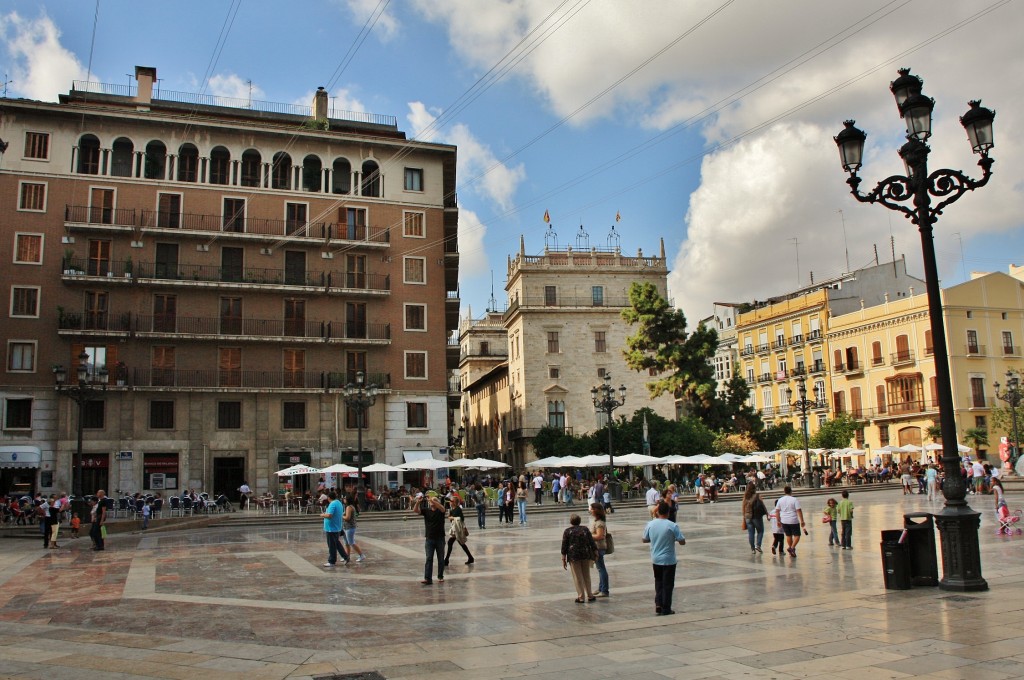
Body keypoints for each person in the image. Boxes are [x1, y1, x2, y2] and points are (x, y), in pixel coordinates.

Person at [642, 501, 686, 615]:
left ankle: (658, 603)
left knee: (658, 581)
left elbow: (644, 539)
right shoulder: (672, 525)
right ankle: (666, 608)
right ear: (668, 512)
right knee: (668, 584)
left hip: (655, 558)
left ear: (658, 511)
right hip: (669, 559)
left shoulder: (650, 524)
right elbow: (682, 541)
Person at [560, 513, 598, 603]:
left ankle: (581, 597)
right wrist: (595, 552)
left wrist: (563, 558)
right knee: (586, 575)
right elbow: (591, 541)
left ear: (571, 521)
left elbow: (564, 546)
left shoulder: (567, 531)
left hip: (574, 556)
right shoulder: (585, 529)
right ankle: (590, 595)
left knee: (577, 576)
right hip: (585, 554)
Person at [413, 493, 446, 584]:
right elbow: (415, 510)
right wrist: (418, 503)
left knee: (441, 558)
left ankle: (440, 576)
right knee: (429, 558)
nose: (432, 502)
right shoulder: (426, 511)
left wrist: (433, 500)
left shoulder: (440, 511)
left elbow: (442, 508)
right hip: (429, 538)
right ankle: (428, 578)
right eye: (432, 501)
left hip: (440, 538)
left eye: (435, 500)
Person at [319, 490, 350, 568]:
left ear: (329, 498)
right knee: (337, 544)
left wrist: (322, 515)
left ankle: (332, 561)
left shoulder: (332, 504)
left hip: (331, 528)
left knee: (332, 545)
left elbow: (329, 515)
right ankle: (346, 556)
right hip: (337, 527)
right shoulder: (339, 503)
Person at [443, 494, 474, 566]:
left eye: (451, 501)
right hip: (455, 528)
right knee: (460, 543)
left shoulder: (457, 509)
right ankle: (470, 557)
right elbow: (450, 518)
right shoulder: (452, 509)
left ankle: (446, 560)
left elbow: (459, 519)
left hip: (458, 529)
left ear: (454, 502)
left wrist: (451, 517)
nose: (450, 502)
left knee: (453, 542)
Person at [774, 486, 806, 557]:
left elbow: (777, 511)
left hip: (784, 520)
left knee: (788, 535)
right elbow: (798, 510)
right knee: (797, 535)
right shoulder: (794, 499)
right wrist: (802, 520)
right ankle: (792, 548)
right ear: (791, 491)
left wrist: (778, 521)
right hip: (793, 520)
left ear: (784, 491)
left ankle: (792, 550)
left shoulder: (780, 500)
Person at [589, 502, 610, 598]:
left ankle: (604, 590)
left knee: (601, 568)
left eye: (592, 509)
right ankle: (601, 587)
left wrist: (588, 535)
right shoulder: (597, 521)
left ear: (596, 511)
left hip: (599, 547)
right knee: (600, 568)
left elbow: (599, 536)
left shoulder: (600, 523)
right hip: (597, 547)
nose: (590, 510)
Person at [742, 484, 767, 553]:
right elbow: (762, 505)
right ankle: (758, 545)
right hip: (756, 517)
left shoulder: (745, 497)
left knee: (751, 533)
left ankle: (752, 549)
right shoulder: (757, 496)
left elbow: (743, 507)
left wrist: (744, 517)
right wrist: (767, 513)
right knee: (760, 531)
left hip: (747, 517)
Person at [343, 494, 365, 562]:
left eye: (344, 498)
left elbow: (347, 518)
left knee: (351, 542)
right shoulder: (351, 506)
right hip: (347, 527)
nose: (343, 500)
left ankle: (361, 555)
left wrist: (341, 516)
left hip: (350, 527)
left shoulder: (349, 507)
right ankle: (347, 556)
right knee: (346, 542)